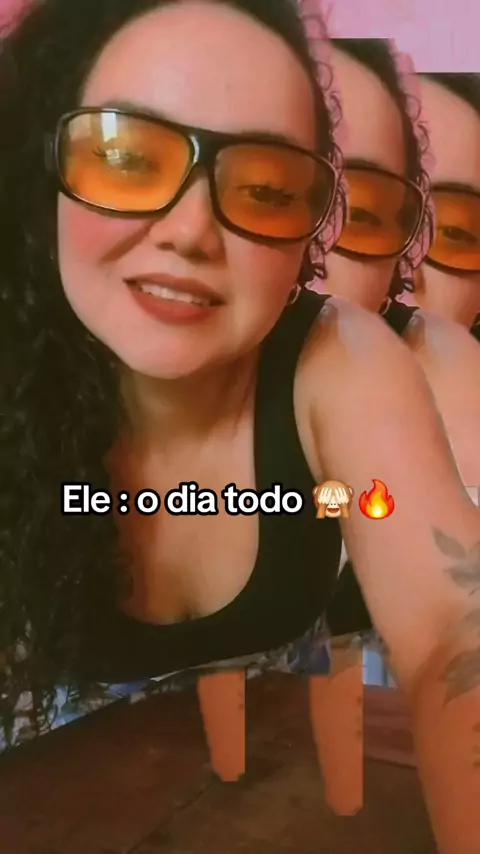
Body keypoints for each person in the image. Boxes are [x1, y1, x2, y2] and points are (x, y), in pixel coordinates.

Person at [0, 3, 479, 851]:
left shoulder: (340, 359)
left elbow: (453, 630)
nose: (190, 231)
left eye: (264, 189)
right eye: (126, 158)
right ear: (47, 163)